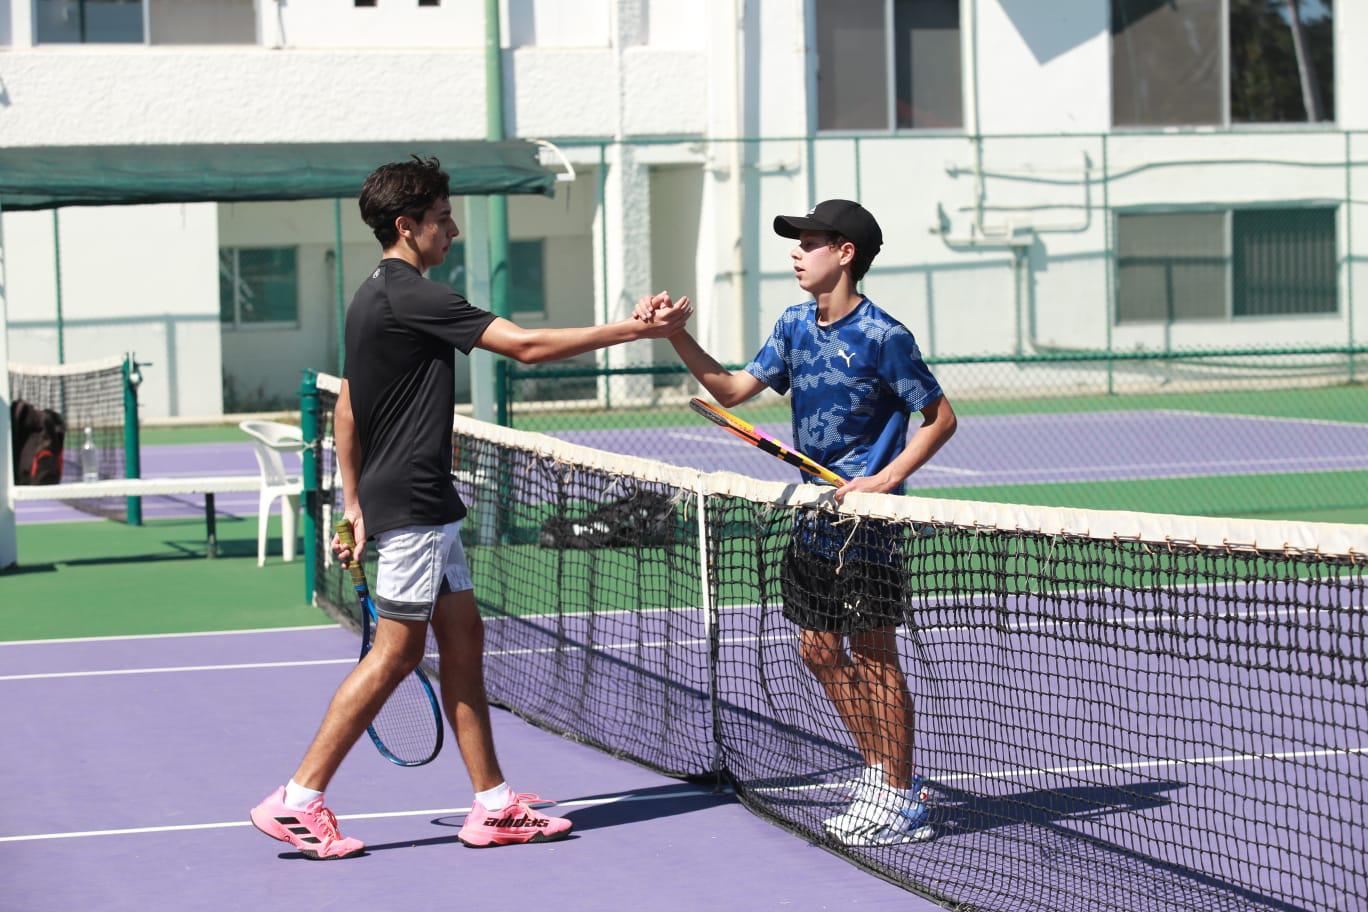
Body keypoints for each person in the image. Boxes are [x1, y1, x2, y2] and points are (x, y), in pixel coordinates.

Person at [250, 155, 692, 859]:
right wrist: (635, 332)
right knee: (398, 653)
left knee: (463, 640)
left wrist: (353, 504)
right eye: (443, 220)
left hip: (418, 505)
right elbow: (526, 347)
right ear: (408, 226)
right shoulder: (410, 293)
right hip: (415, 508)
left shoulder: (370, 296)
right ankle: (298, 798)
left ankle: (493, 806)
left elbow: (349, 408)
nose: (451, 231)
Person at [635, 199, 956, 847]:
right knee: (816, 650)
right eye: (798, 240)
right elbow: (729, 391)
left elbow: (940, 418)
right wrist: (672, 335)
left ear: (845, 253)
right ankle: (881, 771)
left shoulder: (884, 337)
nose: (796, 251)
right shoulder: (792, 325)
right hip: (812, 519)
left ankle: (898, 795)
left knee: (873, 655)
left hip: (867, 525)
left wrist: (884, 480)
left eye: (810, 241)